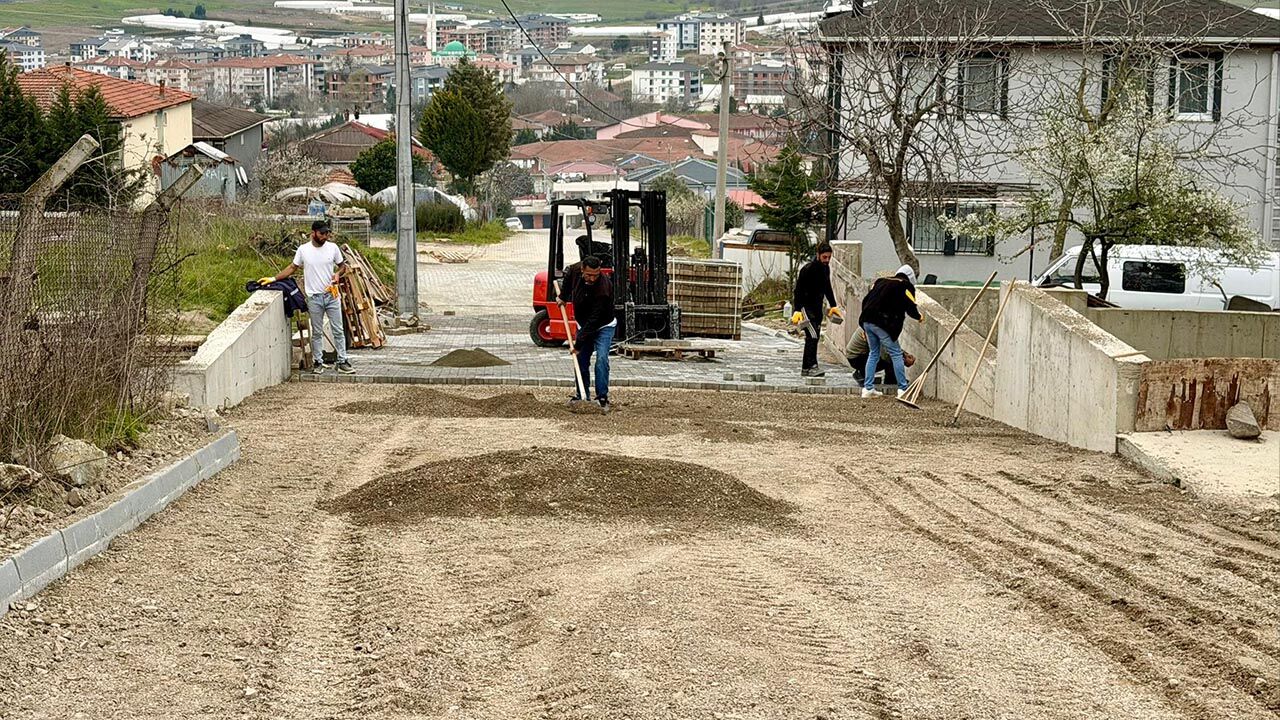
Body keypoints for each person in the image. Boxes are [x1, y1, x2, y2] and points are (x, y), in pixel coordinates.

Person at [260, 220, 354, 375]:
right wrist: (274, 279)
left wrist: (337, 274)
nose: (325, 236)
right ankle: (318, 362)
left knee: (338, 329)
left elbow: (342, 266)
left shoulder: (333, 248)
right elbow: (292, 267)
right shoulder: (304, 250)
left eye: (327, 233)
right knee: (316, 332)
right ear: (313, 233)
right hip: (314, 298)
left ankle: (342, 360)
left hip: (331, 295)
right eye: (322, 233)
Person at [858, 264, 923, 398]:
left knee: (873, 353)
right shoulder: (905, 285)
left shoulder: (881, 281)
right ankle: (903, 389)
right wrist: (918, 316)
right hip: (883, 322)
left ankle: (868, 388)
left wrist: (864, 326)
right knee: (896, 354)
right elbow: (910, 304)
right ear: (910, 278)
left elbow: (865, 301)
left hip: (867, 320)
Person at [560, 254, 615, 412]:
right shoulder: (575, 270)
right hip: (582, 323)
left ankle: (602, 397)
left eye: (596, 275)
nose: (592, 278)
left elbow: (594, 320)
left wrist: (578, 344)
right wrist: (563, 297)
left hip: (603, 325)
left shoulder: (603, 288)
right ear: (583, 269)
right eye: (589, 275)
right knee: (581, 360)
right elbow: (568, 275)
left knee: (602, 359)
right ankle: (581, 394)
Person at [790, 242, 843, 377]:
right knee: (812, 336)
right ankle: (812, 365)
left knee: (814, 336)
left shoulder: (825, 269)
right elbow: (798, 291)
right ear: (818, 255)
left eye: (829, 257)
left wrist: (833, 305)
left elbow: (827, 287)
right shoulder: (807, 270)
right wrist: (797, 310)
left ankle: (806, 368)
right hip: (805, 308)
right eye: (824, 257)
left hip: (817, 308)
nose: (827, 260)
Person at [846, 326, 916, 385]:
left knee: (891, 357)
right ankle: (891, 382)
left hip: (860, 355)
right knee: (889, 359)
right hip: (856, 358)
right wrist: (903, 360)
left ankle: (864, 373)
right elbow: (884, 354)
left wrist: (905, 354)